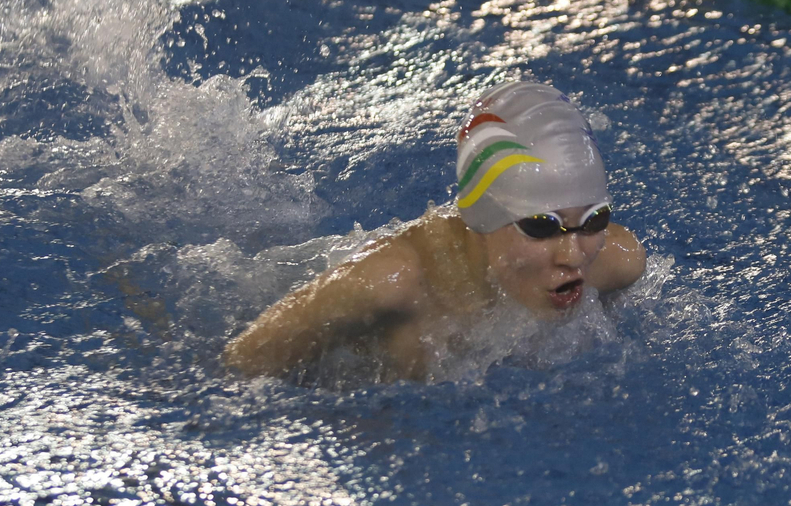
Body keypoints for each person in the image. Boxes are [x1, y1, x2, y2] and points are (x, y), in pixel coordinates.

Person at [223, 80, 647, 382]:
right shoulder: (387, 284)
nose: (573, 255)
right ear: (485, 214)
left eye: (593, 220)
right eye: (541, 226)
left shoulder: (617, 263)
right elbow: (240, 365)